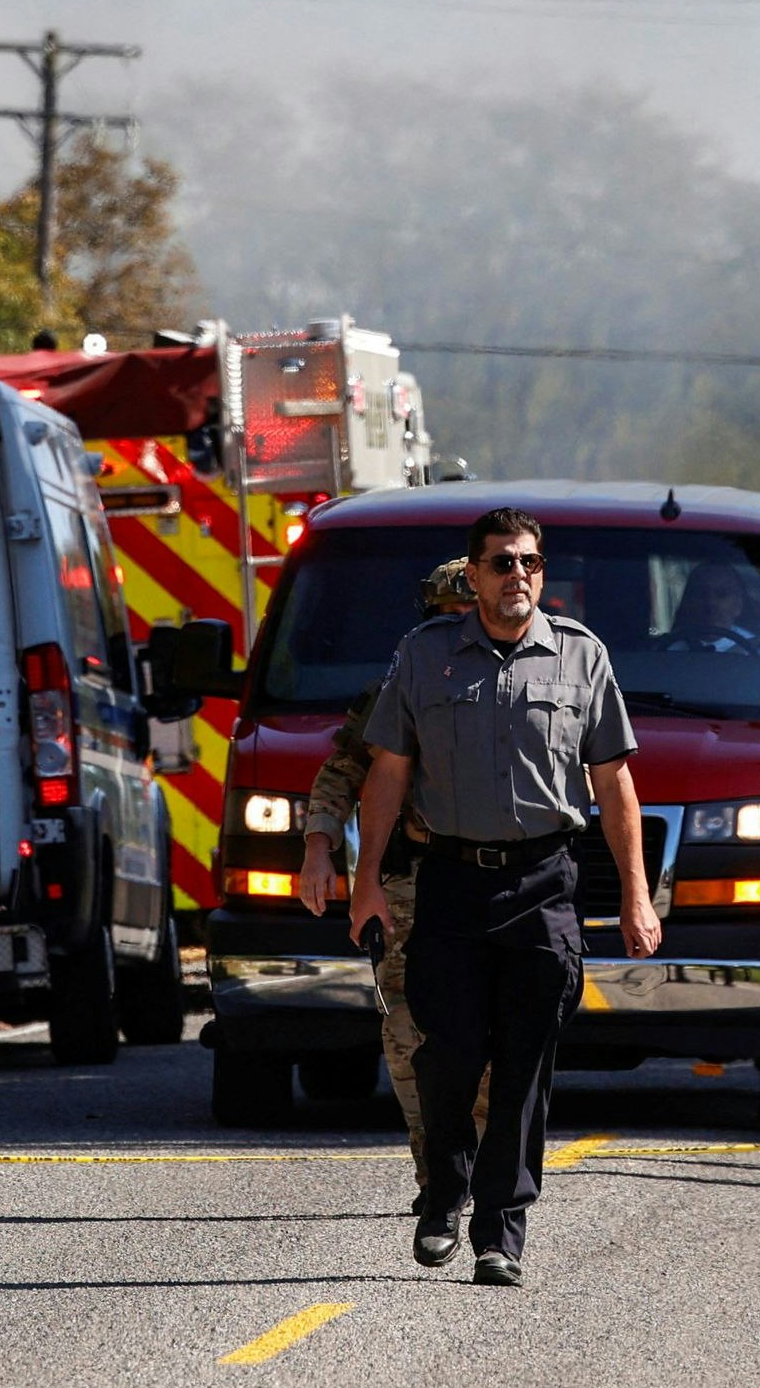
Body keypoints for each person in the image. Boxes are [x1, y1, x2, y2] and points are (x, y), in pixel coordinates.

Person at [348, 508, 653, 1287]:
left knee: (526, 1061)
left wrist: (635, 896)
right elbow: (386, 773)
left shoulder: (582, 657)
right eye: (501, 563)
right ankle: (443, 1192)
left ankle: (500, 1231)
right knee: (449, 1049)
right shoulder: (425, 657)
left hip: (544, 883)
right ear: (473, 576)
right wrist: (366, 884)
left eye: (529, 563)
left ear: (540, 573)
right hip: (449, 879)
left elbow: (614, 780)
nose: (517, 575)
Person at [295, 557, 481, 1161]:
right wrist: (319, 849)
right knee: (406, 1026)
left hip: (493, 882)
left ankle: (485, 1164)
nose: (457, 630)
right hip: (408, 882)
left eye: (468, 617)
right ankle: (436, 1170)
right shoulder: (393, 694)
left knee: (490, 1033)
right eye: (445, 619)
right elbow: (342, 773)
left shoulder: (528, 689)